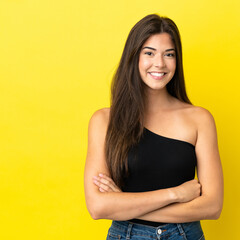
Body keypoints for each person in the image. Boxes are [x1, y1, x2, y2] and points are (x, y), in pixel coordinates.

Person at [84, 13, 224, 240]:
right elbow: (98, 207)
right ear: (134, 57)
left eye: (169, 55)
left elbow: (212, 206)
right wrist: (175, 194)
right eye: (149, 53)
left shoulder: (199, 119)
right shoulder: (104, 121)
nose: (159, 63)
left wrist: (125, 204)